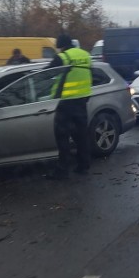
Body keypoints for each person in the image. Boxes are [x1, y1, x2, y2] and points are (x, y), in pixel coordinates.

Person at [45, 33, 93, 179]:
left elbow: (47, 73)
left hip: (66, 102)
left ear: (61, 45)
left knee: (62, 137)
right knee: (81, 136)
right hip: (82, 100)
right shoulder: (86, 55)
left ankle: (62, 170)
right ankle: (83, 165)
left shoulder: (63, 57)